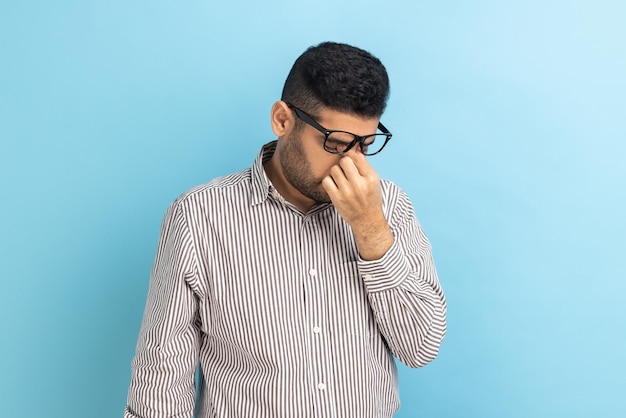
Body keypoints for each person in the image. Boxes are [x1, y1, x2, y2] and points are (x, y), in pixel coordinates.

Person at [124, 41, 446, 418]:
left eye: (366, 145)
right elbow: (162, 376)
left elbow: (420, 346)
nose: (353, 165)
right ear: (282, 120)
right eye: (337, 144)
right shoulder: (198, 217)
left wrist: (370, 229)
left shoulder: (389, 207)